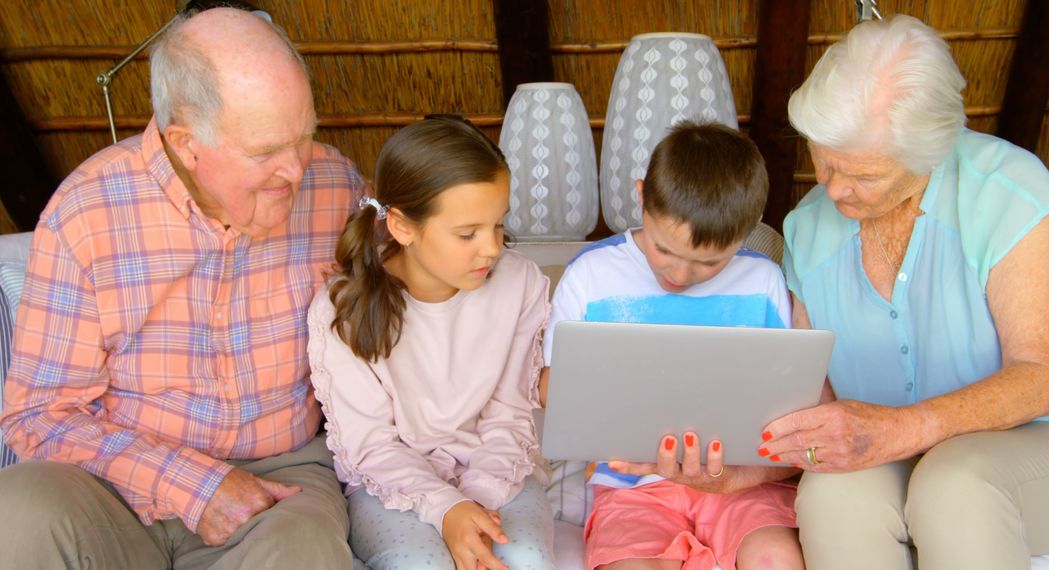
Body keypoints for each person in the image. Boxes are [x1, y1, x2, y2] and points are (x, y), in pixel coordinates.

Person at [0, 8, 361, 569]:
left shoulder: (337, 186)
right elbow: (39, 415)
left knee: (304, 552)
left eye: (305, 136)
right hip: (111, 486)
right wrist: (194, 485)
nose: (296, 170)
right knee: (16, 509)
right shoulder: (87, 212)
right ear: (186, 143)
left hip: (278, 483)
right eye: (266, 151)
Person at [759, 14, 1049, 570]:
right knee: (831, 494)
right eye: (824, 160)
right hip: (896, 455)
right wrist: (751, 464)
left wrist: (901, 429)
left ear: (928, 154)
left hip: (1045, 443)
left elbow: (1040, 375)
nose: (834, 189)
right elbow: (820, 405)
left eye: (864, 175)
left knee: (955, 485)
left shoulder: (1006, 190)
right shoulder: (807, 229)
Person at [543, 120, 804, 570]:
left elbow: (788, 392)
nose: (680, 276)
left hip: (740, 482)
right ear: (642, 197)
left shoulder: (763, 280)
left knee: (776, 557)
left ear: (746, 232)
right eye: (664, 251)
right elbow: (553, 387)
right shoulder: (591, 275)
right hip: (631, 485)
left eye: (709, 263)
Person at [307, 115, 556, 570]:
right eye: (467, 234)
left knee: (525, 560)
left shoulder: (519, 284)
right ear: (402, 227)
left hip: (499, 472)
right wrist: (446, 508)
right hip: (393, 484)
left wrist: (474, 505)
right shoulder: (343, 308)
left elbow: (510, 414)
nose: (492, 249)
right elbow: (371, 445)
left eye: (499, 225)